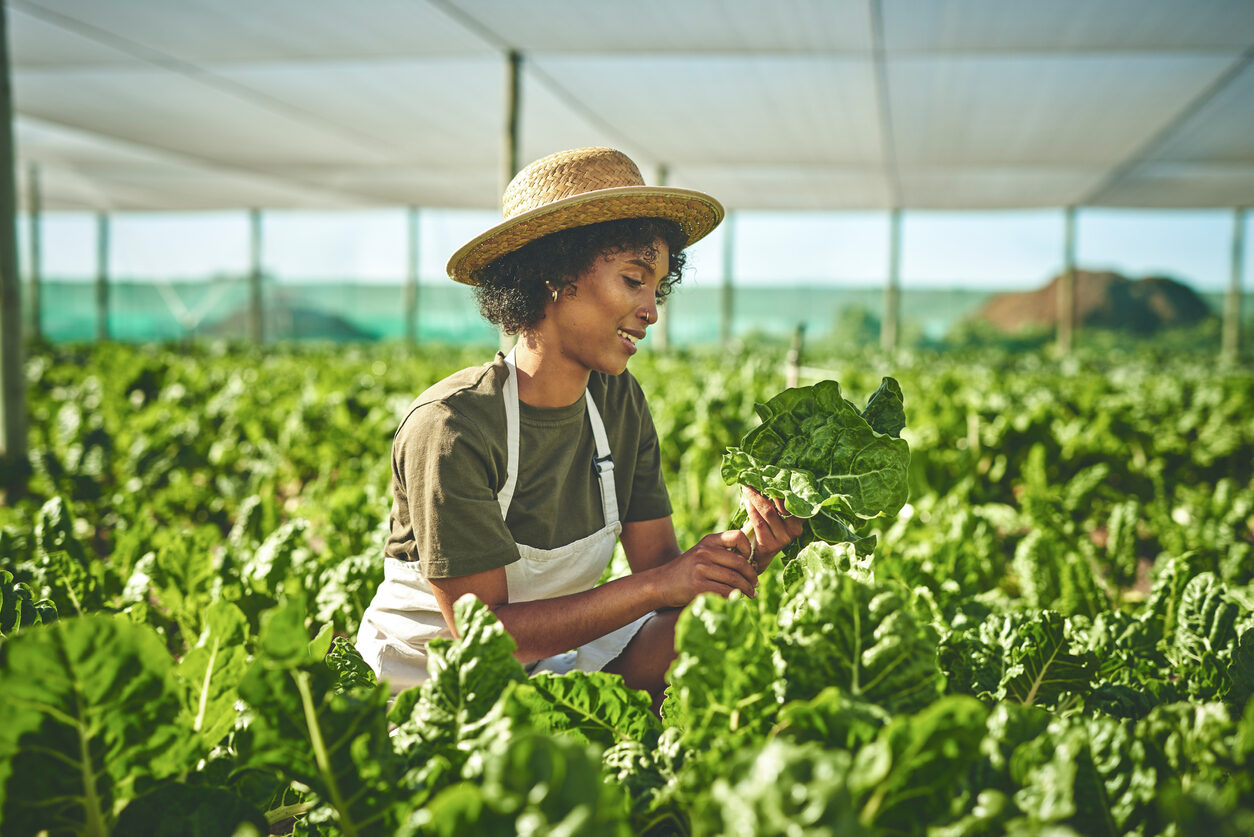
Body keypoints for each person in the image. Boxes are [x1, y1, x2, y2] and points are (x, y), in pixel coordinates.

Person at [355, 146, 803, 710]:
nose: (652, 311)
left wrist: (748, 555)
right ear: (553, 273)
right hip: (429, 689)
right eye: (633, 280)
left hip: (548, 673)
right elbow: (486, 638)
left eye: (657, 287)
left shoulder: (619, 403)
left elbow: (667, 589)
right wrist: (661, 585)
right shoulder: (453, 427)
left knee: (693, 646)